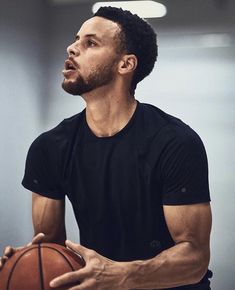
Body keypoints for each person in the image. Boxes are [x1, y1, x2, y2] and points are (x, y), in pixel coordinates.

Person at [0, 6, 213, 290]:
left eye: (90, 43)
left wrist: (122, 274)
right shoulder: (49, 148)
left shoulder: (175, 142)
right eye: (76, 39)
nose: (72, 48)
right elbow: (50, 246)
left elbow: (195, 259)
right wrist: (27, 263)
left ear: (125, 64)